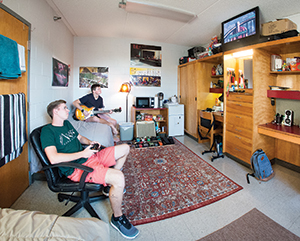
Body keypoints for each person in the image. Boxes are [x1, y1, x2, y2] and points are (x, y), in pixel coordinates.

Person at [40, 99, 139, 239]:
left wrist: (90, 142)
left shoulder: (67, 124)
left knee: (125, 148)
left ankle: (108, 185)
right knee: (119, 177)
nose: (68, 110)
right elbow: (53, 158)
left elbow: (80, 137)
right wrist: (82, 154)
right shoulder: (47, 131)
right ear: (55, 111)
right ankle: (117, 218)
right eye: (64, 108)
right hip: (78, 169)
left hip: (89, 157)